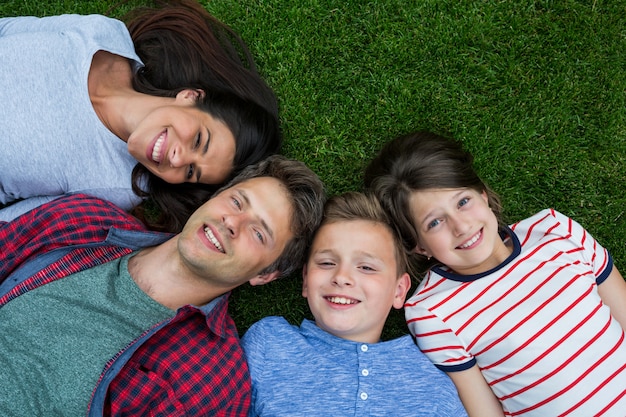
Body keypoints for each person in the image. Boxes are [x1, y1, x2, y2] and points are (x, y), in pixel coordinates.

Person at [0, 155, 326, 417]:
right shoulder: (84, 218)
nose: (232, 223)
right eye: (237, 202)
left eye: (258, 233)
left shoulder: (212, 386)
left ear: (265, 274)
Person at [364, 131, 626, 416]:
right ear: (418, 245)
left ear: (483, 195)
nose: (461, 226)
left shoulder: (555, 230)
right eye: (435, 222)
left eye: (463, 202)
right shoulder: (431, 311)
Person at [0, 0, 280, 231]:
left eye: (191, 172)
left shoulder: (114, 185)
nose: (178, 159)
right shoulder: (105, 36)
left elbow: (11, 226)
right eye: (197, 140)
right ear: (190, 97)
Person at [241, 192, 468, 417]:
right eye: (327, 262)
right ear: (306, 281)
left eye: (366, 267)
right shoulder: (270, 344)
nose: (342, 276)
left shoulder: (432, 390)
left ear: (398, 291)